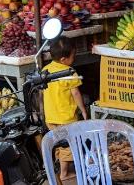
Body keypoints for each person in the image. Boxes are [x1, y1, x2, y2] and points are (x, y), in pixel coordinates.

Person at [42, 37, 87, 181]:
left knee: (58, 143)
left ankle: (60, 168)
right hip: (65, 117)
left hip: (51, 116)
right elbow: (75, 93)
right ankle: (64, 173)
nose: (74, 58)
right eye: (73, 56)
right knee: (67, 145)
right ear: (63, 59)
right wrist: (84, 111)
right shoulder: (69, 72)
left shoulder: (45, 70)